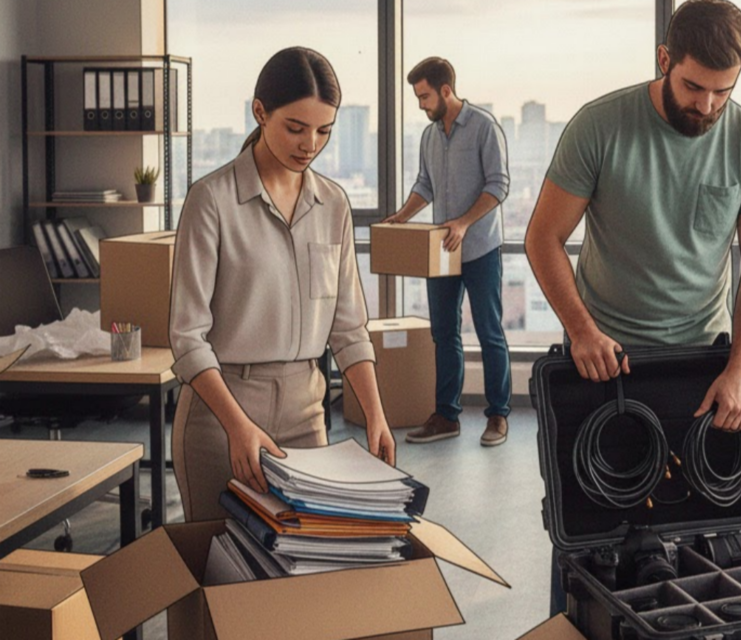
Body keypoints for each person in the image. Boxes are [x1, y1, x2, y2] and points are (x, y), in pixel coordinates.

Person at [523, 0, 741, 616]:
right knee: (595, 533)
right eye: (694, 87)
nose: (708, 106)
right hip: (603, 364)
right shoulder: (600, 125)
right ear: (664, 60)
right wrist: (580, 330)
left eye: (723, 92)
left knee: (697, 535)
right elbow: (543, 238)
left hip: (702, 363)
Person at [169, 47, 395, 523]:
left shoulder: (332, 204)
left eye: (323, 131)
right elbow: (187, 337)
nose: (309, 143)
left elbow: (349, 327)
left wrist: (375, 413)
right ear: (259, 112)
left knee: (304, 568)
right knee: (216, 570)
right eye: (295, 128)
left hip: (306, 410)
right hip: (220, 413)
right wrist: (237, 426)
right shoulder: (211, 201)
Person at [384, 57, 512, 447]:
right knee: (444, 334)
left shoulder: (484, 127)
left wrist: (463, 222)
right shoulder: (429, 136)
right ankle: (447, 416)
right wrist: (400, 218)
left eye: (424, 96)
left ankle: (498, 416)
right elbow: (425, 184)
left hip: (480, 248)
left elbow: (499, 185)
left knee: (489, 333)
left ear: (445, 90)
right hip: (441, 252)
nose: (421, 104)